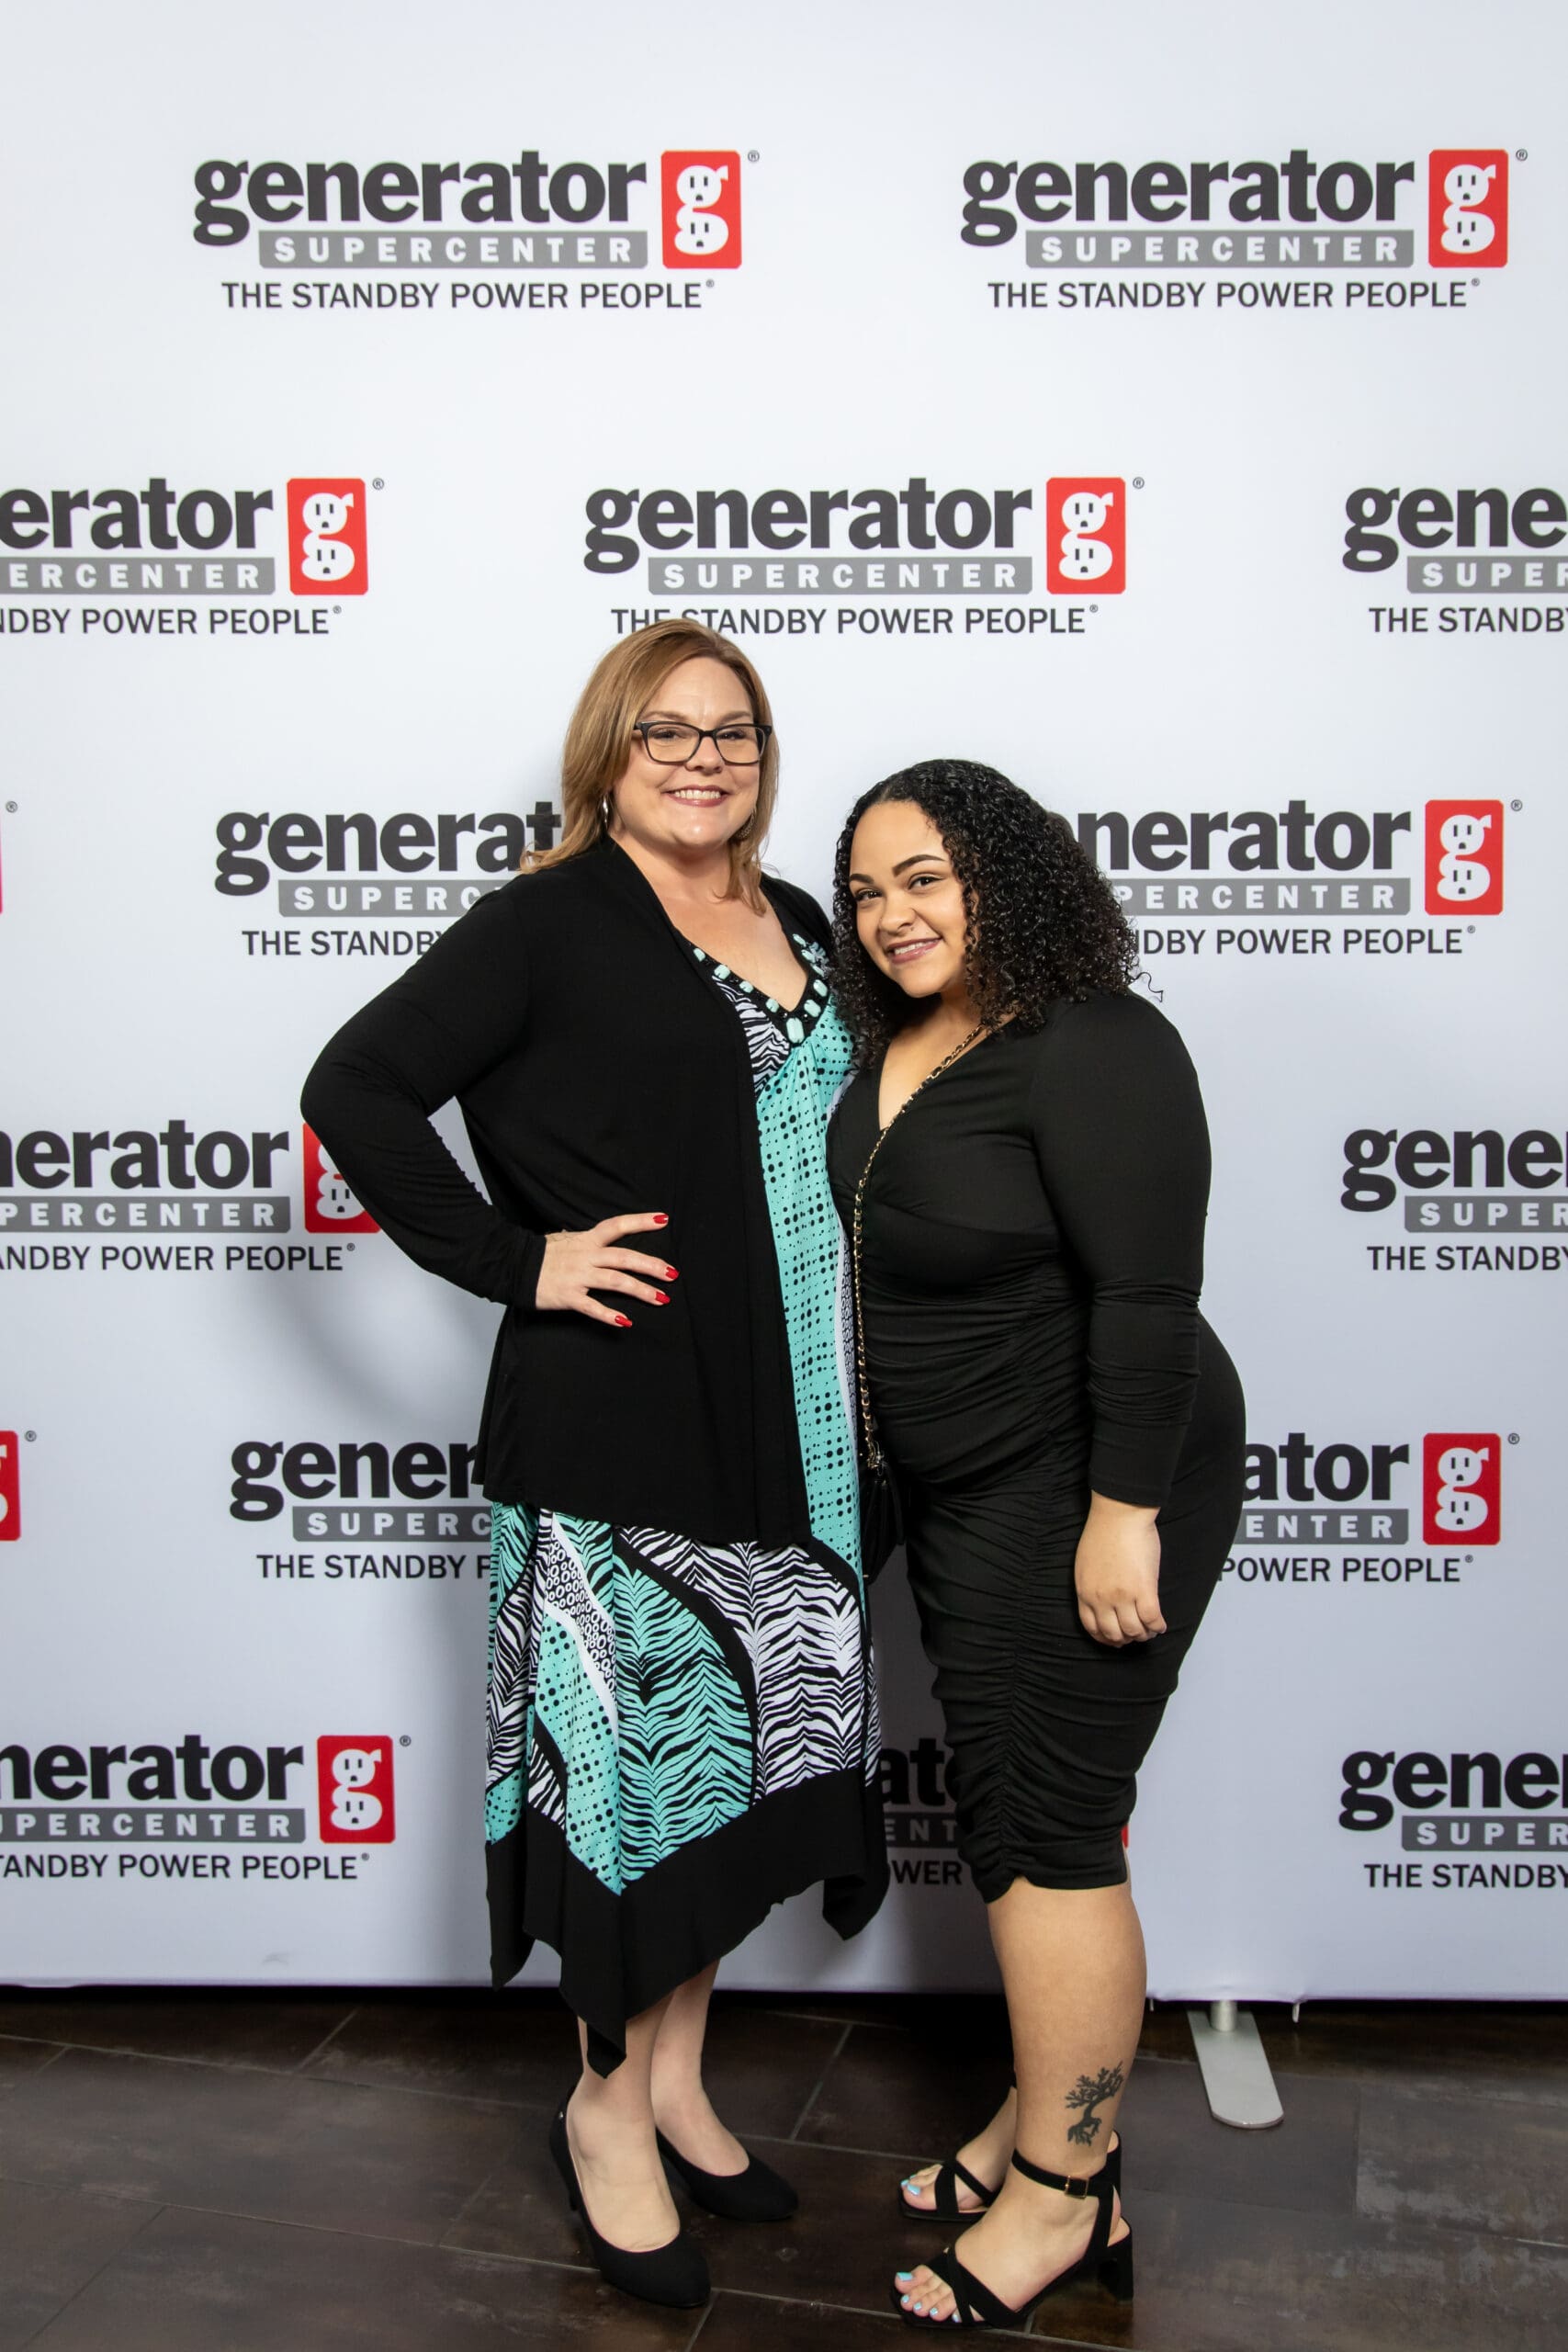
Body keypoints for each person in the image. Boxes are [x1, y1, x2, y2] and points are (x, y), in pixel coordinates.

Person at [302, 619, 886, 2311]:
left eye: (734, 731)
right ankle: (606, 2113)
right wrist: (519, 1260)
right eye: (666, 732)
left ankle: (682, 2086)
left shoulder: (801, 923)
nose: (705, 759)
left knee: (739, 1779)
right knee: (632, 1787)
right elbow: (356, 1085)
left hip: (800, 1432)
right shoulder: (547, 922)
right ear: (607, 758)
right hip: (621, 1429)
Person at [826, 759, 1245, 2332]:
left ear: (1005, 873)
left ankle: (1069, 2194)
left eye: (924, 877)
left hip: (1092, 1478)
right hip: (970, 1487)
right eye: (866, 891)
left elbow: (1146, 1296)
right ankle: (1042, 2121)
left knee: (1053, 1827)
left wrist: (1123, 1516)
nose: (891, 914)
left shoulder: (1098, 1040)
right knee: (1005, 1811)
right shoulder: (907, 1038)